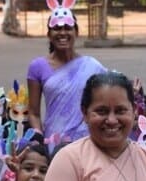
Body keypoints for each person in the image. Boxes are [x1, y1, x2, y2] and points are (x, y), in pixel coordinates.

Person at [27, 2, 105, 141]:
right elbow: (33, 113)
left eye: (67, 28)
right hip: (53, 140)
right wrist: (38, 136)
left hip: (87, 140)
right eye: (57, 28)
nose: (62, 33)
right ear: (49, 34)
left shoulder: (91, 66)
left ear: (76, 32)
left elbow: (110, 91)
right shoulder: (37, 67)